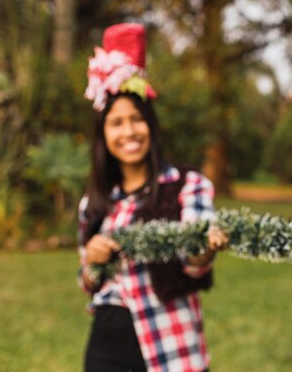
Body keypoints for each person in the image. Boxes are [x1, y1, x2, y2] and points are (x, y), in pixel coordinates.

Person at [77, 23, 228, 372]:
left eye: (136, 120)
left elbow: (195, 262)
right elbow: (87, 283)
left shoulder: (188, 185)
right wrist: (91, 262)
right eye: (116, 123)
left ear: (151, 126)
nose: (128, 131)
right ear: (103, 135)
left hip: (169, 347)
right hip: (106, 348)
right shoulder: (96, 201)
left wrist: (203, 247)